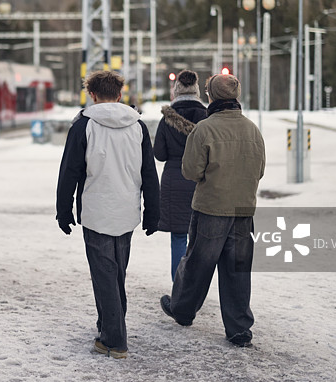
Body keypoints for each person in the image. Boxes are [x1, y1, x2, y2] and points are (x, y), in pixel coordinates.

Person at [56, 70, 160, 360]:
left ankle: (115, 340)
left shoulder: (83, 126)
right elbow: (149, 173)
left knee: (104, 276)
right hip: (127, 211)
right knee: (116, 275)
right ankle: (108, 327)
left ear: (92, 95)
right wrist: (153, 212)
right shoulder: (138, 126)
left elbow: (69, 172)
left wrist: (63, 210)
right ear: (119, 94)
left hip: (96, 211)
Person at [159, 73, 265, 348]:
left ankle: (182, 310)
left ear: (212, 97)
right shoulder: (252, 129)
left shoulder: (205, 129)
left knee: (197, 264)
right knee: (238, 270)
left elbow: (191, 170)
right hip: (244, 211)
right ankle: (239, 328)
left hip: (211, 209)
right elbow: (260, 170)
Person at [153, 70, 208, 281]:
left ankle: (179, 286)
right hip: (201, 182)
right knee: (199, 239)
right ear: (196, 91)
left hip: (174, 181)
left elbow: (159, 154)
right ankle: (195, 288)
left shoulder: (166, 118)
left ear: (176, 92)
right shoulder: (207, 117)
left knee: (178, 237)